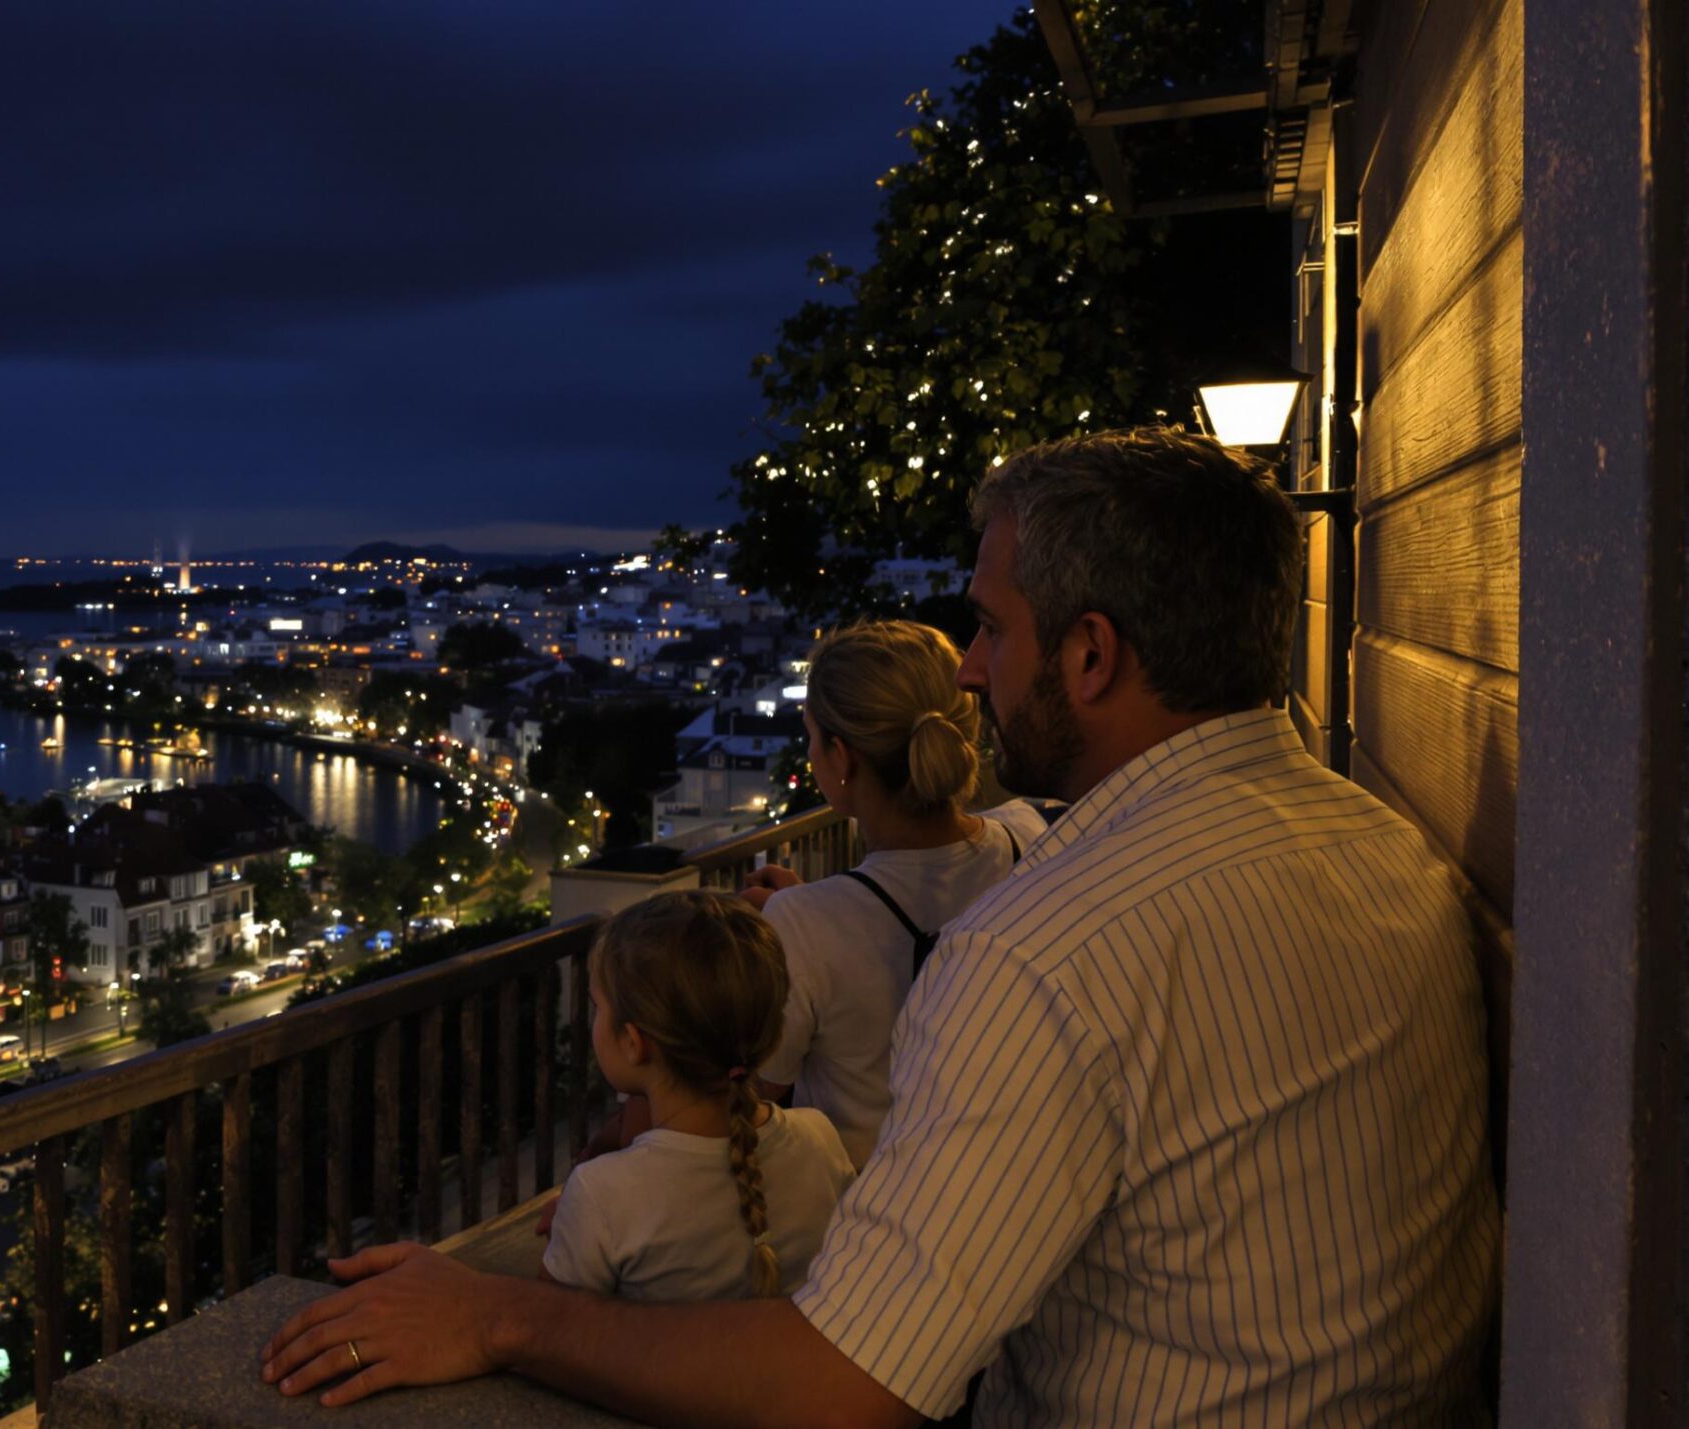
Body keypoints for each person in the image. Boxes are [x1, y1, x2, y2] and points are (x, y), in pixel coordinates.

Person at [261, 427, 1499, 1426]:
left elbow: (842, 1379)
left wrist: (496, 1316)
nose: (969, 667)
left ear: (1089, 655)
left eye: (994, 627)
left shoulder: (1047, 951)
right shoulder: (1382, 843)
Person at [741, 620, 1046, 1168]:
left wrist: (807, 918)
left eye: (811, 736)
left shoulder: (805, 924)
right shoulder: (1030, 836)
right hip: (1012, 1178)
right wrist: (819, 909)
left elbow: (749, 1100)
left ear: (841, 757)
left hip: (871, 1220)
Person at [542, 891, 854, 1302]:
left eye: (598, 1006)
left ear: (634, 1042)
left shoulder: (603, 1196)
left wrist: (575, 1224)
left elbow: (548, 1328)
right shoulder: (819, 1138)